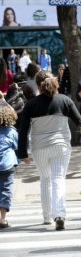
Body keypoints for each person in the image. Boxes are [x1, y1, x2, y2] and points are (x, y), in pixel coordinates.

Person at [18, 71, 81, 230]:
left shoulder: (31, 104)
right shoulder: (65, 101)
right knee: (58, 179)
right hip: (60, 146)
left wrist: (22, 153)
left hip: (39, 148)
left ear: (38, 85)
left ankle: (47, 216)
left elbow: (23, 130)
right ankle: (59, 214)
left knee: (45, 179)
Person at [0, 98, 19, 229]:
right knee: (6, 190)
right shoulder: (12, 132)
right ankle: (2, 219)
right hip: (7, 164)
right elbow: (16, 146)